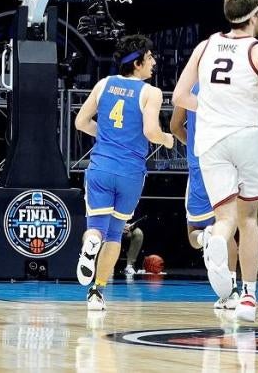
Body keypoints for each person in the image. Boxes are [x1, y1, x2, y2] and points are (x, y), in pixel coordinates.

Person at [173, 0, 258, 323]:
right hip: (246, 137)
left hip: (210, 140)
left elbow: (179, 96)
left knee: (225, 219)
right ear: (253, 16)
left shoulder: (205, 46)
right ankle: (248, 296)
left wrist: (209, 109)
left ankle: (216, 241)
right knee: (248, 220)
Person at [72, 35, 176, 311]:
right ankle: (97, 292)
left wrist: (106, 137)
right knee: (116, 234)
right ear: (138, 62)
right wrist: (167, 139)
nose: (154, 62)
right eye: (151, 57)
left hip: (101, 167)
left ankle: (90, 244)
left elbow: (80, 122)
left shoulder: (103, 84)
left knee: (96, 229)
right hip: (130, 172)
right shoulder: (150, 92)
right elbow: (151, 132)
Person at [171, 84, 241, 310]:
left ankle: (205, 238)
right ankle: (231, 291)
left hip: (199, 164)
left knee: (193, 231)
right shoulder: (231, 83)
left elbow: (174, 127)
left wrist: (190, 144)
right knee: (228, 227)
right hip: (225, 162)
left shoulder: (191, 87)